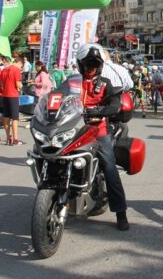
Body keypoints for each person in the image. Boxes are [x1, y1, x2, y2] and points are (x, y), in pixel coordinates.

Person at [56, 45, 129, 230]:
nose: (91, 68)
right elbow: (55, 97)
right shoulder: (71, 83)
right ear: (81, 65)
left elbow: (115, 103)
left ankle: (121, 213)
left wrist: (102, 110)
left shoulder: (105, 83)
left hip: (98, 131)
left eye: (95, 65)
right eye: (88, 64)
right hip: (72, 129)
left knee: (110, 167)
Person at [0, 57, 24, 146]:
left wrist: (4, 88)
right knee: (15, 118)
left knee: (6, 117)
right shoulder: (16, 70)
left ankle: (8, 138)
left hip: (5, 95)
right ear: (19, 63)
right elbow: (18, 84)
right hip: (13, 96)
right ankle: (15, 139)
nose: (21, 68)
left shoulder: (5, 69)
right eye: (21, 66)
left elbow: (0, 82)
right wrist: (22, 86)